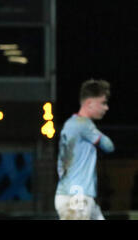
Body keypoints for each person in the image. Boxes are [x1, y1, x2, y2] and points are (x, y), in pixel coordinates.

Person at [55, 79, 115, 220]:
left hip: (73, 194)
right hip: (77, 196)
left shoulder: (70, 124)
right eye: (103, 103)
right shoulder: (84, 124)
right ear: (89, 103)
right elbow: (109, 146)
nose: (106, 108)